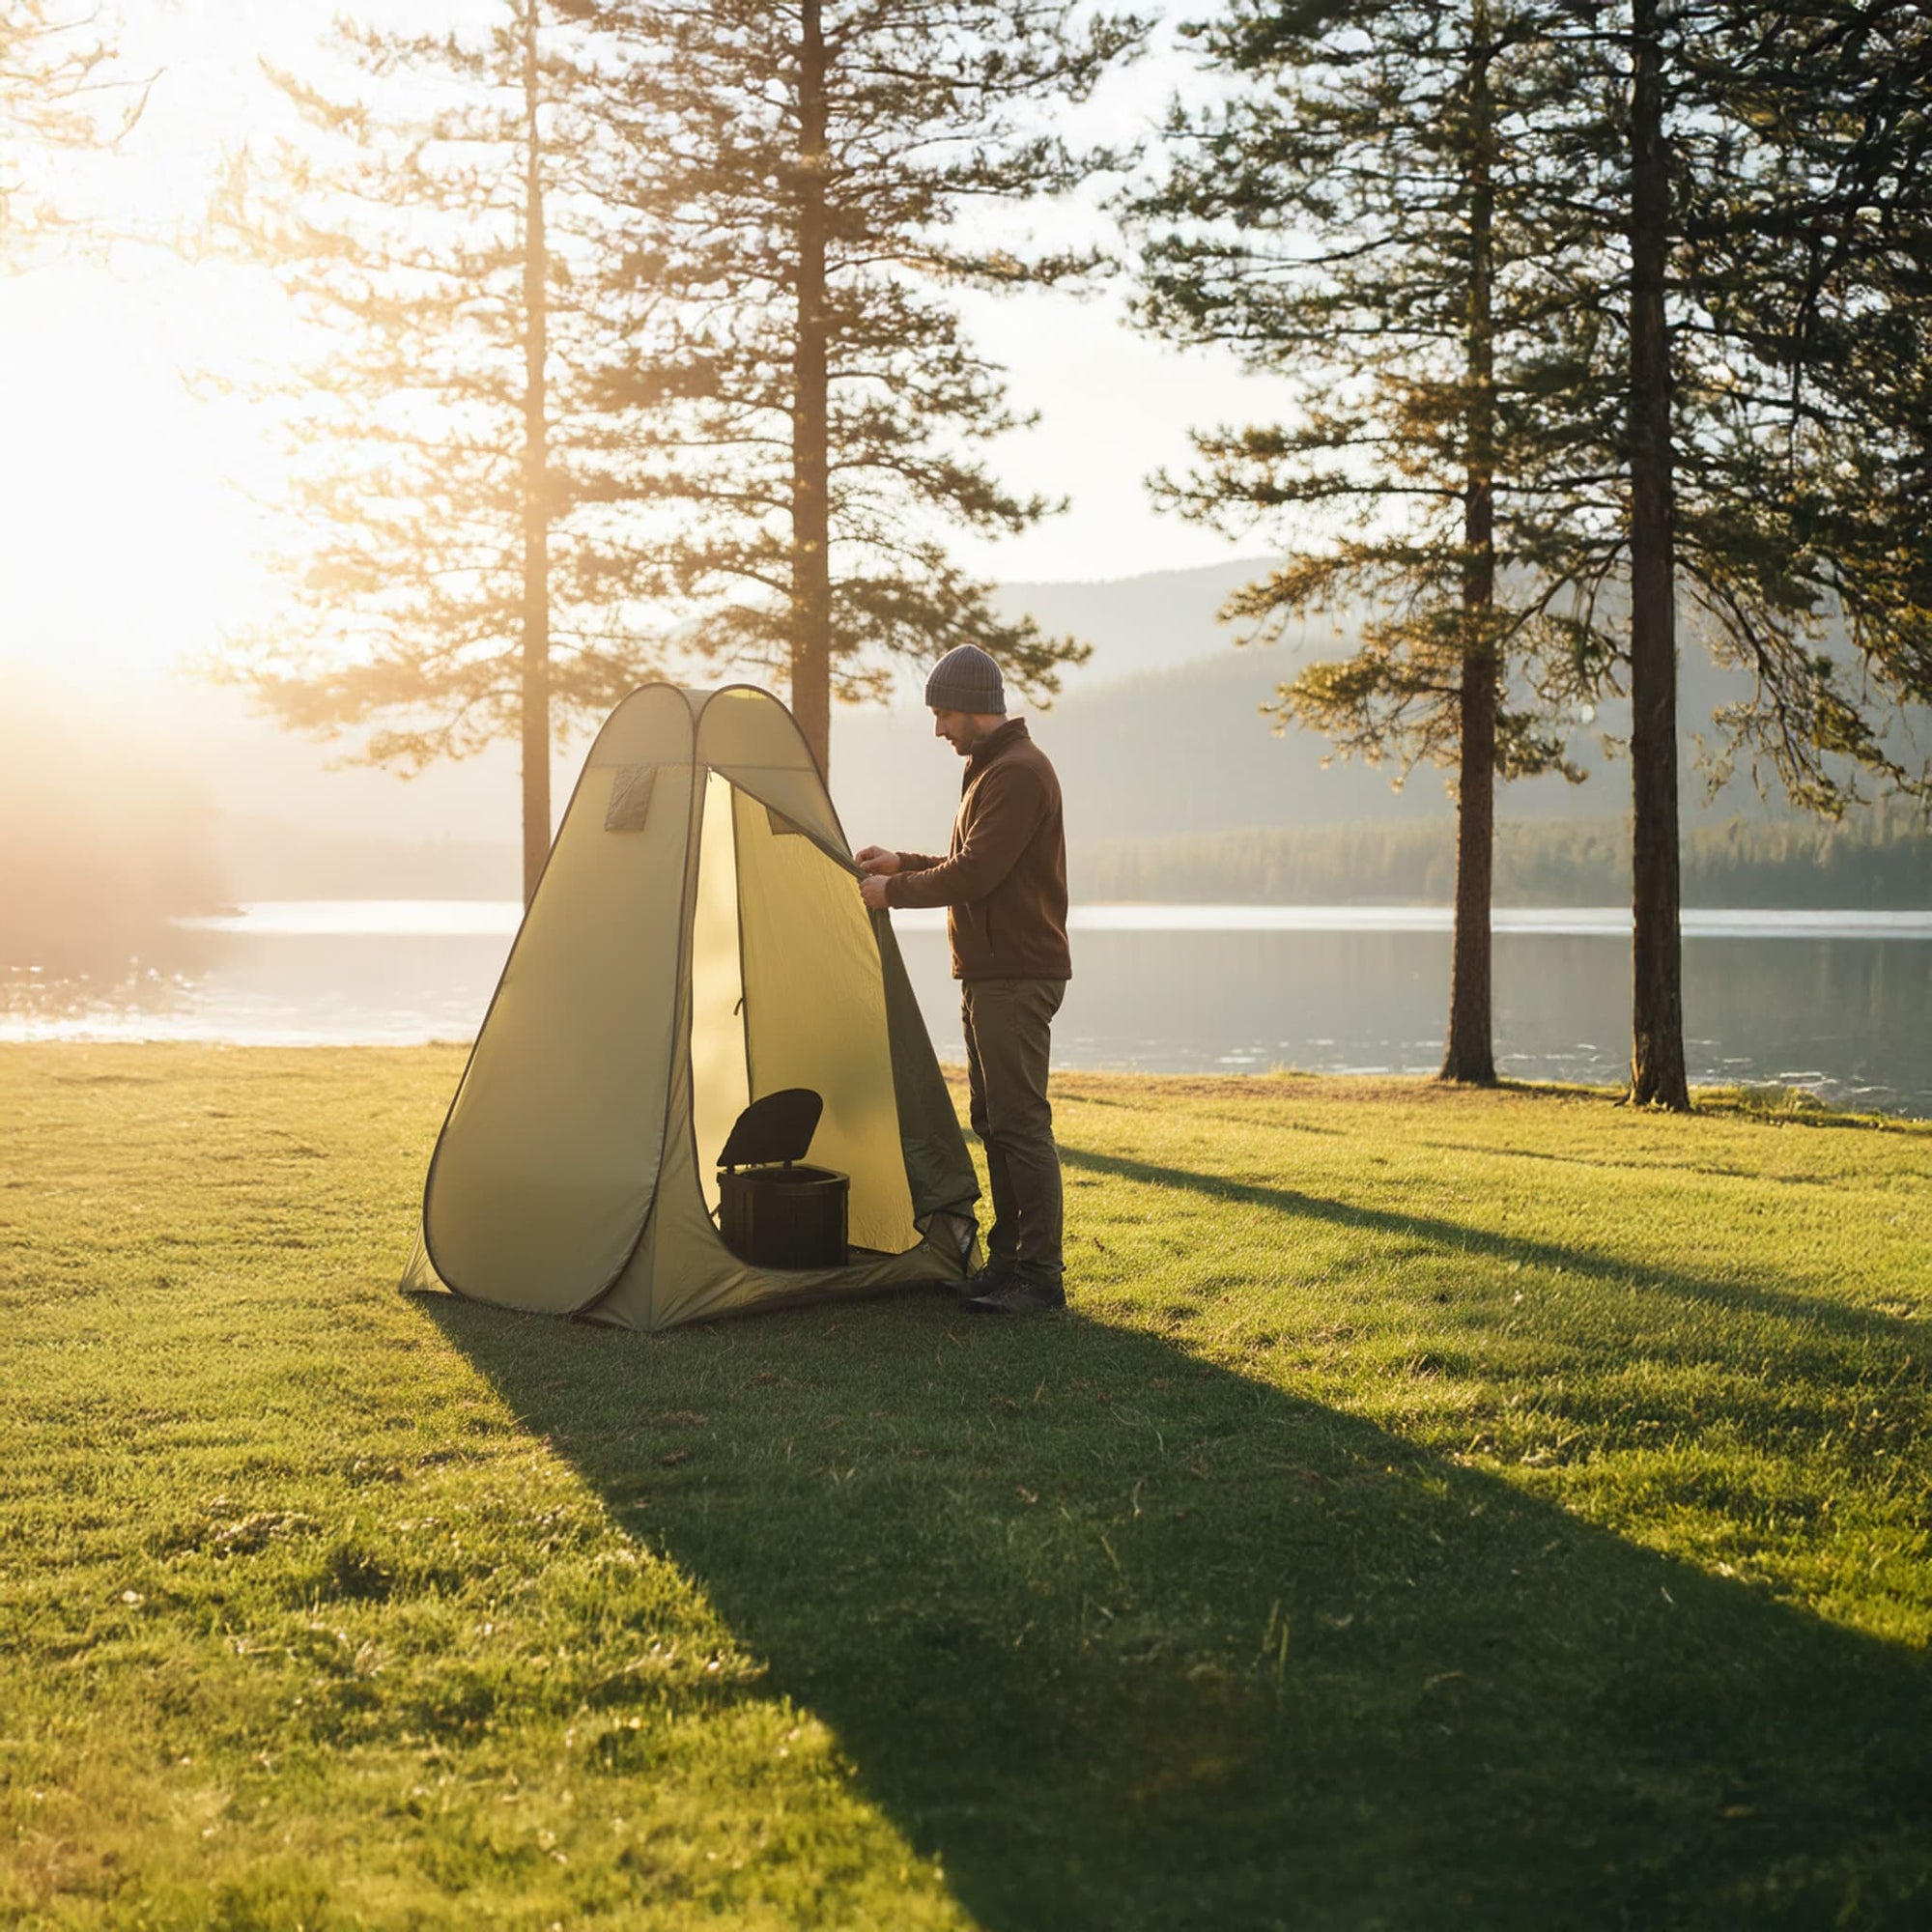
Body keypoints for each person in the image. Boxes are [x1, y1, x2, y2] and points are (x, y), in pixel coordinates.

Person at [857, 643, 1071, 1315]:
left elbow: (975, 874)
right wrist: (901, 861)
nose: (939, 728)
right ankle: (1006, 1265)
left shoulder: (1017, 773)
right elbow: (966, 860)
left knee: (1020, 1123)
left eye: (944, 713)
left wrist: (891, 891)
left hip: (1014, 974)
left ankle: (1039, 1278)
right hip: (989, 973)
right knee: (995, 1121)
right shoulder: (993, 769)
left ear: (977, 708)